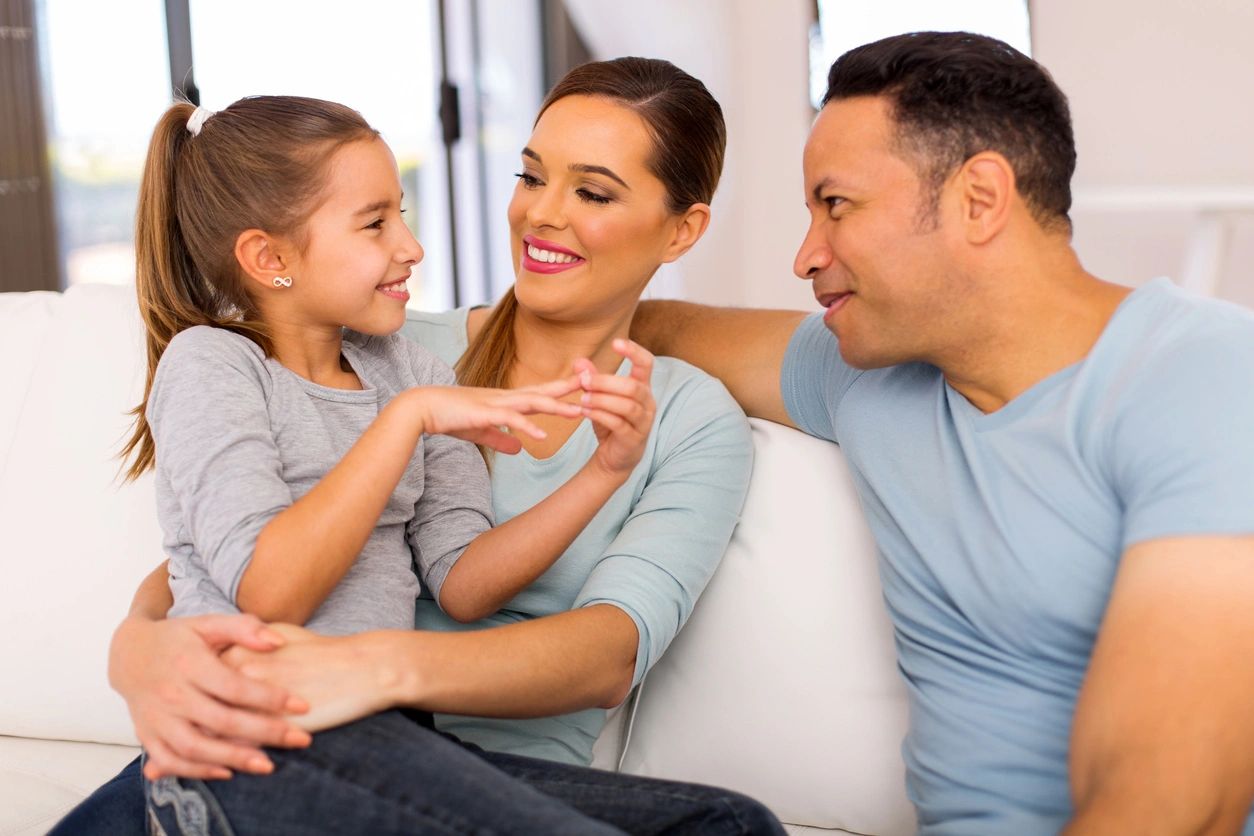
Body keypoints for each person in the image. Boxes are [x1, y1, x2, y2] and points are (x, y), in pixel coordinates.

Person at [56, 59, 782, 835]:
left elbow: (481, 592)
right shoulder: (377, 348)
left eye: (593, 192)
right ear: (269, 257)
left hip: (421, 749)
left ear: (682, 229)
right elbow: (212, 559)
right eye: (531, 176)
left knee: (733, 825)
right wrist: (136, 650)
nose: (541, 214)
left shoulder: (420, 366)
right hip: (286, 734)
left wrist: (607, 469)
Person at [629, 32, 1254, 835]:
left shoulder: (1203, 375)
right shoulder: (866, 373)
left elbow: (1169, 806)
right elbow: (661, 327)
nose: (805, 254)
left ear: (979, 199)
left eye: (836, 205)